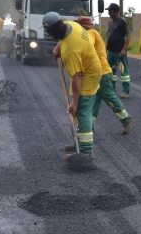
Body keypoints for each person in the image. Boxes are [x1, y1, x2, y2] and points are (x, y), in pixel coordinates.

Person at [53, 16, 134, 138]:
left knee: (109, 97)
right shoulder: (90, 32)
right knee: (94, 100)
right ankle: (89, 125)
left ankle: (126, 120)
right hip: (96, 73)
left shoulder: (90, 33)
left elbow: (80, 44)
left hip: (101, 72)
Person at [43, 12, 102, 160]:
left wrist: (74, 103)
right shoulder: (72, 25)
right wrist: (58, 48)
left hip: (89, 74)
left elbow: (76, 78)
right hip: (91, 66)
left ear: (53, 30)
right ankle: (79, 143)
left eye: (47, 31)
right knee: (81, 111)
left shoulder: (71, 50)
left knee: (81, 111)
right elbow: (64, 39)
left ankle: (86, 152)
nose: (47, 33)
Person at [105, 3, 131, 98]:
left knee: (124, 72)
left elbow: (128, 36)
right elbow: (108, 36)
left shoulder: (122, 21)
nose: (108, 13)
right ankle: (112, 90)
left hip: (119, 52)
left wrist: (124, 50)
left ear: (115, 11)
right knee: (111, 71)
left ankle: (126, 91)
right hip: (111, 52)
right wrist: (105, 49)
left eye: (110, 11)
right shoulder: (110, 22)